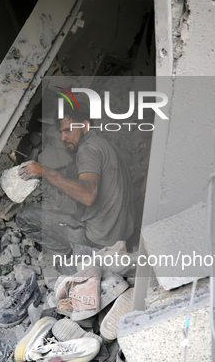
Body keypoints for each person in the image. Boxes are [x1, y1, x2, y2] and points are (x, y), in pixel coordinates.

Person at [15, 107, 135, 256]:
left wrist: (44, 171)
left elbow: (88, 196)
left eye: (68, 130)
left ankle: (72, 260)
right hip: (122, 235)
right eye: (61, 132)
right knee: (72, 175)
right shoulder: (107, 146)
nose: (63, 137)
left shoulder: (88, 149)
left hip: (99, 240)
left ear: (85, 125)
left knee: (24, 217)